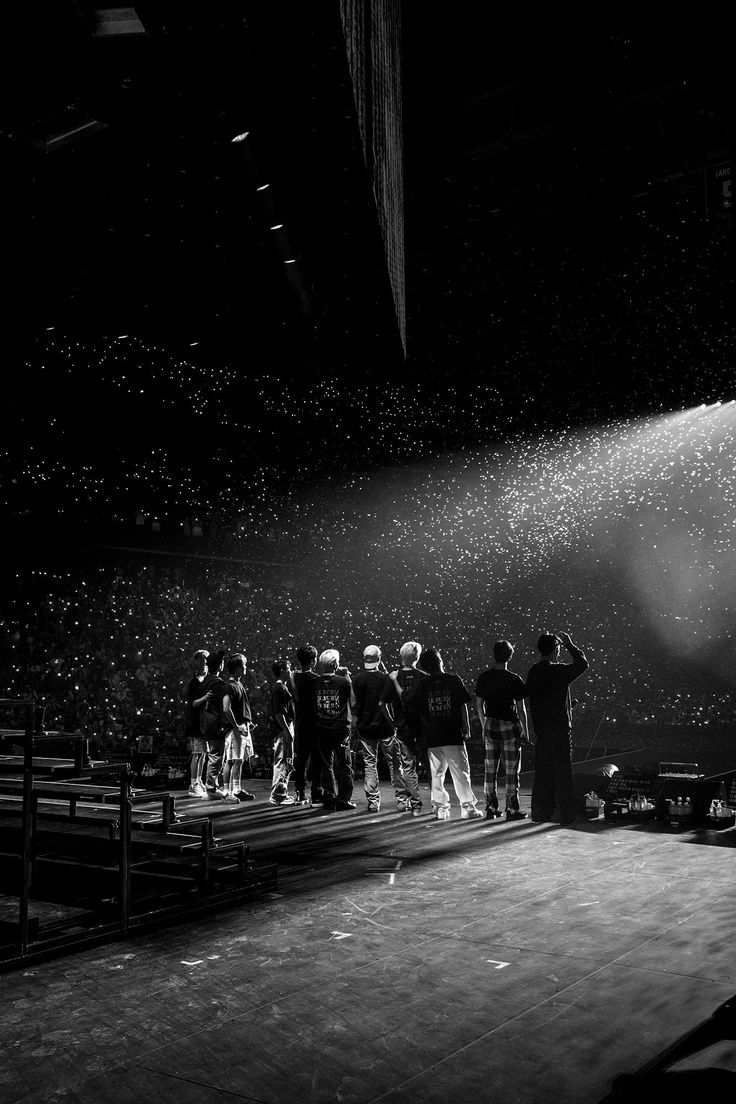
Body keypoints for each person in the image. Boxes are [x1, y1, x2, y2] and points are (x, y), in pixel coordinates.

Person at [525, 631, 588, 826]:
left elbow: (538, 699)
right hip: (560, 729)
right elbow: (582, 664)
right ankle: (566, 815)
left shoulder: (534, 672)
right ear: (556, 649)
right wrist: (570, 644)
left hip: (542, 730)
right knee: (563, 773)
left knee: (543, 772)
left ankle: (541, 812)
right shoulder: (559, 670)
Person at [413, 646, 482, 820]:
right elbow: (462, 705)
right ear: (440, 661)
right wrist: (466, 728)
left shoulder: (423, 684)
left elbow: (420, 710)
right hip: (452, 735)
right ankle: (468, 808)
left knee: (437, 775)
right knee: (461, 773)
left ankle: (441, 808)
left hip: (433, 736)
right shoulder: (453, 680)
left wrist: (425, 732)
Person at [352, 645, 412, 813]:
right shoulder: (387, 679)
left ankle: (372, 802)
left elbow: (354, 704)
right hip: (386, 727)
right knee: (395, 764)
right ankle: (402, 800)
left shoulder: (357, 680)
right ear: (379, 659)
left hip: (366, 728)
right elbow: (394, 702)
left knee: (370, 764)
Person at [475, 640, 530, 821]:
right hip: (509, 726)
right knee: (511, 769)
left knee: (490, 769)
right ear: (510, 656)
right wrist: (525, 731)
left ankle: (491, 808)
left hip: (491, 724)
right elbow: (521, 709)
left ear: (494, 654)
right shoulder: (514, 679)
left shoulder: (484, 677)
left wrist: (484, 725)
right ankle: (512, 809)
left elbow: (479, 704)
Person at [378, 641, 425, 813]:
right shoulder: (423, 677)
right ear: (417, 657)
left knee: (406, 766)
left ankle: (413, 802)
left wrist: (392, 722)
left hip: (403, 728)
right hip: (421, 728)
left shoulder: (394, 677)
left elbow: (382, 703)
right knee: (430, 767)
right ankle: (434, 804)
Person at [313, 648, 355, 810]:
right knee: (343, 765)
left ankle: (329, 798)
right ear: (336, 664)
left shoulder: (314, 682)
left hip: (321, 728)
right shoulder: (343, 681)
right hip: (340, 729)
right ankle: (343, 799)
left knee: (326, 765)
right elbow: (353, 701)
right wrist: (347, 676)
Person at [219, 653, 256, 803]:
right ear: (238, 667)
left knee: (239, 760)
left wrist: (247, 722)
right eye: (244, 665)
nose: (246, 668)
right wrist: (237, 726)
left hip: (242, 728)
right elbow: (226, 709)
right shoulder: (229, 686)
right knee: (231, 760)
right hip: (235, 730)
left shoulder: (238, 684)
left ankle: (237, 789)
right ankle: (227, 792)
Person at [291, 643, 323, 806]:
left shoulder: (294, 678)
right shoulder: (317, 679)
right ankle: (317, 793)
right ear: (312, 660)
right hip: (316, 724)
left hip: (300, 723)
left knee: (301, 761)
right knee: (316, 760)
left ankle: (299, 793)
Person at [269, 660, 296, 806]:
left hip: (285, 728)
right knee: (282, 761)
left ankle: (282, 793)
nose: (290, 671)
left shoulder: (283, 688)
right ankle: (277, 795)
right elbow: (279, 713)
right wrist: (286, 730)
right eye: (288, 668)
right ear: (282, 671)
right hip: (282, 730)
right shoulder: (279, 689)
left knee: (287, 761)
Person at [200, 651, 227, 797]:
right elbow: (222, 707)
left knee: (212, 755)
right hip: (215, 723)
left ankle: (212, 785)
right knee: (216, 756)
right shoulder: (218, 684)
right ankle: (211, 788)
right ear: (220, 665)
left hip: (204, 723)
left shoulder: (203, 681)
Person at [185, 648, 210, 797]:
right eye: (204, 661)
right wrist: (206, 697)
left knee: (203, 755)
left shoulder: (204, 680)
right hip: (195, 723)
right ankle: (193, 784)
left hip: (203, 723)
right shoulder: (194, 682)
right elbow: (193, 703)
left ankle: (199, 781)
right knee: (197, 754)